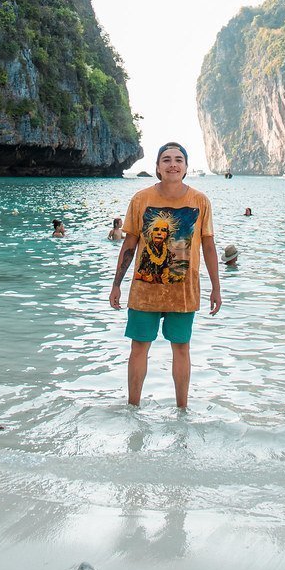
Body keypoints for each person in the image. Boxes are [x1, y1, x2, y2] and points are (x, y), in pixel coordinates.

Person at [109, 141, 221, 409]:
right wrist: (116, 285)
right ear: (157, 167)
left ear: (186, 167)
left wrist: (216, 288)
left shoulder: (199, 201)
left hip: (183, 292)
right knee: (139, 347)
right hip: (144, 290)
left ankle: (182, 410)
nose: (173, 164)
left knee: (181, 348)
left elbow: (208, 245)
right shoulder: (141, 199)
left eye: (178, 159)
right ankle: (132, 407)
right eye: (167, 159)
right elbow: (129, 245)